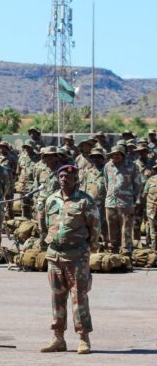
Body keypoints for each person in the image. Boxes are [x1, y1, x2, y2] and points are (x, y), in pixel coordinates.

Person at [40, 165, 100, 355]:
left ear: (76, 180)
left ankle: (83, 338)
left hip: (76, 256)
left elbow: (95, 227)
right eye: (62, 176)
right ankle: (58, 338)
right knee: (57, 297)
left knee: (79, 297)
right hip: (55, 255)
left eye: (68, 177)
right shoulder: (51, 200)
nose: (64, 179)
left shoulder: (85, 201)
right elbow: (43, 224)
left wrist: (87, 249)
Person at [103, 146, 141, 256]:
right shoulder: (107, 166)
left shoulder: (133, 166)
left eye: (118, 154)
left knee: (126, 229)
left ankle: (126, 252)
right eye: (114, 154)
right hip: (110, 202)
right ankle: (114, 251)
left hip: (126, 203)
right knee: (112, 228)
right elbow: (106, 183)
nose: (116, 156)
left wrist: (133, 199)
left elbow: (137, 184)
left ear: (123, 155)